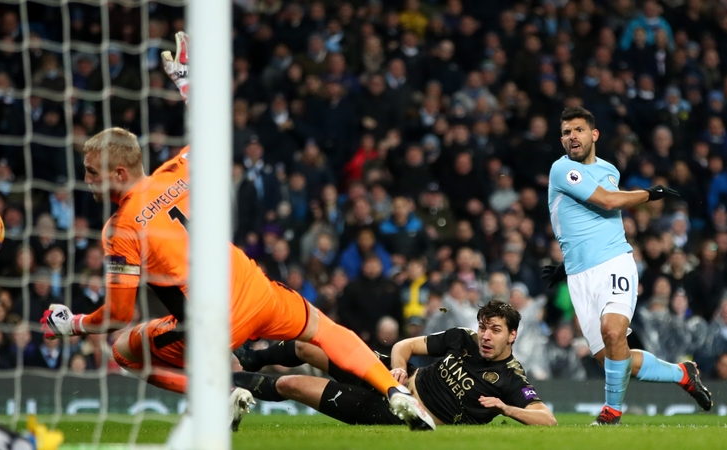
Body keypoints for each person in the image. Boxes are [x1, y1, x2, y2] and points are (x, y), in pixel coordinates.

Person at [40, 32, 434, 431]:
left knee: (124, 351)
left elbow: (118, 315)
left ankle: (221, 395)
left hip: (212, 322)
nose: (87, 180)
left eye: (92, 172)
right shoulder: (179, 169)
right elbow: (212, 129)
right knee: (323, 329)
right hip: (254, 288)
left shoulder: (119, 228)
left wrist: (70, 323)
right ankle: (394, 390)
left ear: (119, 173)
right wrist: (186, 82)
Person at [543, 106, 712, 425]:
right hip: (580, 276)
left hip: (615, 262)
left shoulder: (609, 170)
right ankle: (681, 373)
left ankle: (611, 412)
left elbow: (607, 206)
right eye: (565, 132)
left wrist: (640, 197)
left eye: (578, 130)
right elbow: (607, 201)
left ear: (594, 135)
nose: (571, 137)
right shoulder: (560, 170)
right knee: (610, 357)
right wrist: (650, 194)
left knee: (613, 330)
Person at [233, 301, 556, 426]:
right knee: (308, 348)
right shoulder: (463, 337)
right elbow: (405, 345)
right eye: (484, 327)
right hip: (397, 381)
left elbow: (547, 420)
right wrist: (398, 367)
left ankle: (228, 380)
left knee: (293, 384)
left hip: (406, 413)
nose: (485, 336)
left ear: (512, 336)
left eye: (495, 331)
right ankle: (249, 358)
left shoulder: (511, 379)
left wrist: (505, 408)